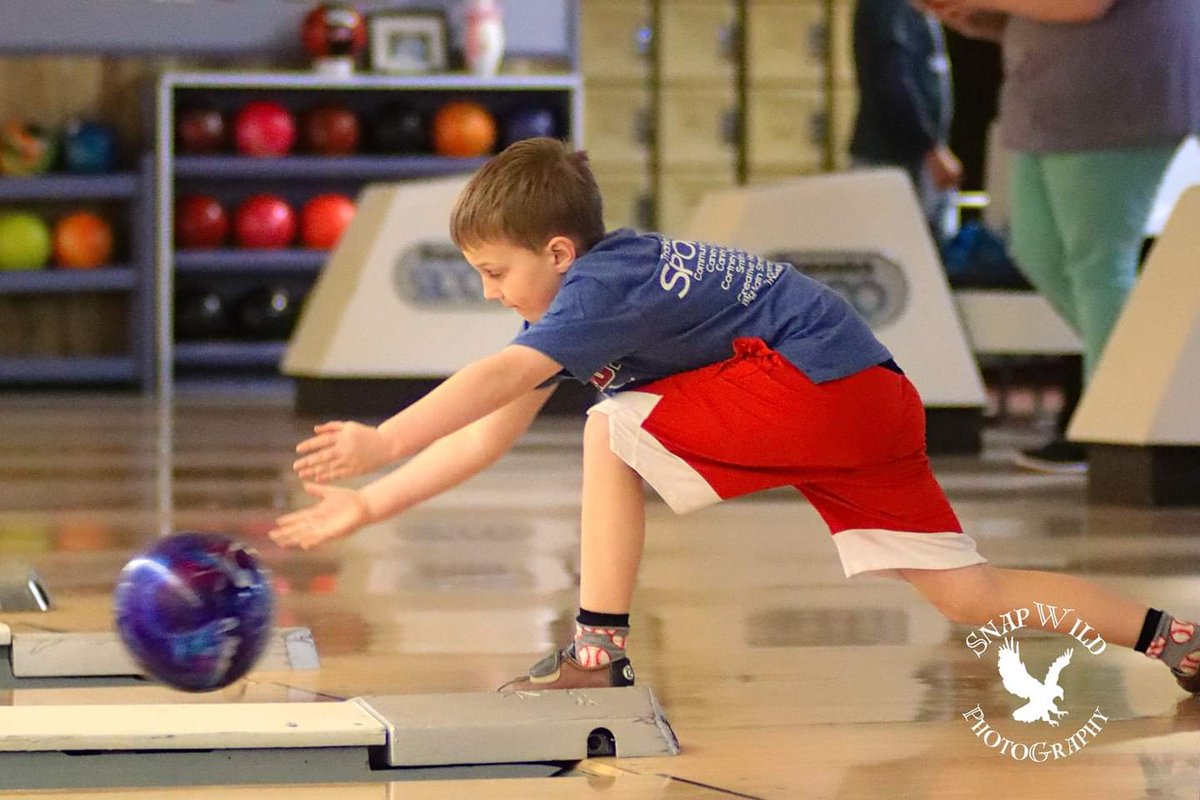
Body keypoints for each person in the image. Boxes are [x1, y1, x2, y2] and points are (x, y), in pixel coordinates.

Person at [269, 137, 1200, 694]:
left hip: (814, 389)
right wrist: (371, 504)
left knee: (608, 428)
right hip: (871, 397)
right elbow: (494, 427)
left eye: (497, 272)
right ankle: (1177, 640)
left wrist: (385, 438)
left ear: (558, 251)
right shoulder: (602, 289)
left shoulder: (597, 289)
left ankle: (600, 649)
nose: (489, 293)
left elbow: (490, 383)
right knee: (973, 596)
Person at [923, 0, 1200, 473]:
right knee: (1036, 250)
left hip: (1115, 98)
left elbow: (1084, 5)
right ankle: (1151, 385)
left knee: (1099, 264)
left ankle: (1123, 426)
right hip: (1049, 101)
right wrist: (981, 17)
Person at [850, 0, 962, 244]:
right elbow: (891, 82)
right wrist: (930, 147)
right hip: (895, 158)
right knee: (903, 252)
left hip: (914, 157)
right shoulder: (889, 7)